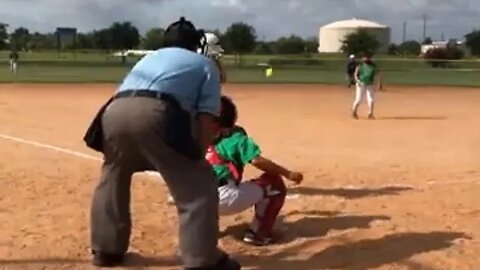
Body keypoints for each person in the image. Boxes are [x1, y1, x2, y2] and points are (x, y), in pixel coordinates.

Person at [83, 17, 240, 270]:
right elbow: (206, 115)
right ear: (194, 43)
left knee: (113, 174)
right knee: (197, 186)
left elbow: (125, 91)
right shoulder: (204, 64)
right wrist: (198, 157)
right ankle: (202, 259)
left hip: (113, 112)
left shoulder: (148, 58)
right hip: (157, 113)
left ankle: (105, 250)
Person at [206, 96, 304, 246]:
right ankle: (259, 234)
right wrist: (288, 173)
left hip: (190, 199)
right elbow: (257, 161)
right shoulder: (235, 137)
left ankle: (203, 230)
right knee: (274, 184)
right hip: (224, 198)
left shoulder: (194, 133)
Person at [352, 52, 384, 119]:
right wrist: (358, 81)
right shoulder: (360, 66)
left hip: (370, 84)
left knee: (371, 99)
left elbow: (378, 75)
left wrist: (380, 84)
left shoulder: (373, 67)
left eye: (366, 57)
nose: (365, 58)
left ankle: (370, 113)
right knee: (358, 99)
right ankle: (354, 111)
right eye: (363, 57)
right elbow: (355, 75)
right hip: (361, 84)